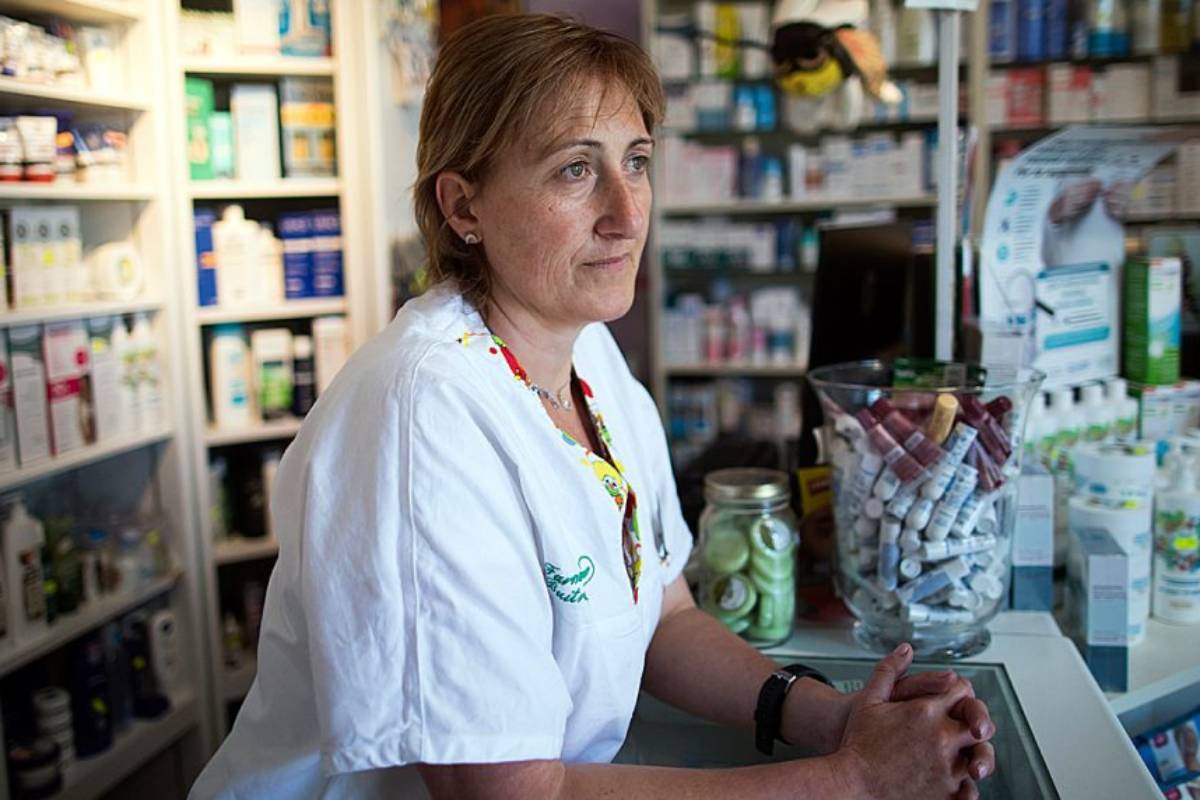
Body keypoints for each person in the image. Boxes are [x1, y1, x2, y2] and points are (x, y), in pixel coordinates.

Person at [190, 14, 995, 800]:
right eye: (576, 169)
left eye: (636, 161)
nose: (628, 211)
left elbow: (664, 615)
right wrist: (852, 781)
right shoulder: (423, 417)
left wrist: (834, 718)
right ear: (463, 207)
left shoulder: (587, 354)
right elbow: (506, 793)